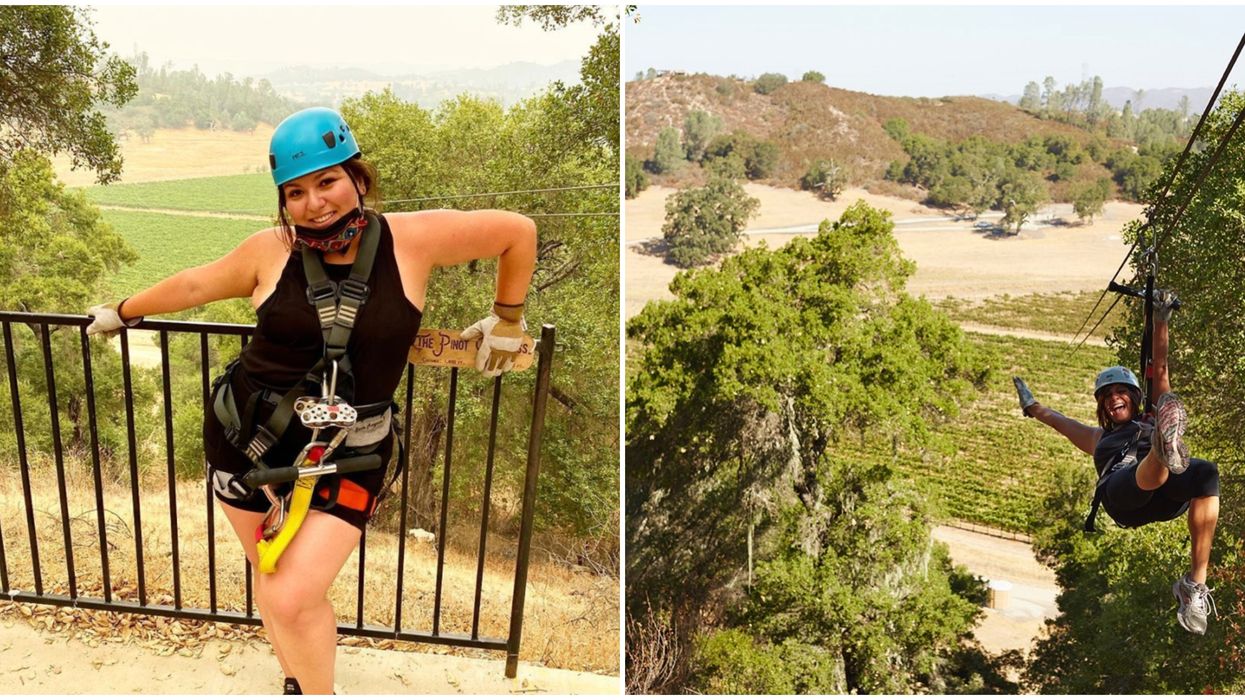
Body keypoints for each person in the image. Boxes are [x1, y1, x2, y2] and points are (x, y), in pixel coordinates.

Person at [86, 107, 537, 693]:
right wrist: (121, 312)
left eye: (327, 181)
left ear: (358, 178)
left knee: (290, 592)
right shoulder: (269, 251)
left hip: (351, 450)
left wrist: (509, 317)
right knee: (270, 573)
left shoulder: (412, 240)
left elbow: (516, 232)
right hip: (246, 439)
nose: (314, 202)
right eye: (295, 192)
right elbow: (197, 282)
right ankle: (297, 682)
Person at [1012, 290, 1219, 635]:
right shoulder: (1098, 438)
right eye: (1106, 397)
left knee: (1205, 473)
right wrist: (1031, 407)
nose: (1113, 399)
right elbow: (1058, 420)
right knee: (1149, 467)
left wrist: (1160, 321)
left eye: (1120, 392)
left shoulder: (1151, 414)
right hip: (1123, 496)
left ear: (1135, 397)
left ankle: (1194, 586)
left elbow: (1160, 365)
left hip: (1166, 497)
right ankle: (1162, 449)